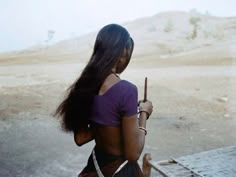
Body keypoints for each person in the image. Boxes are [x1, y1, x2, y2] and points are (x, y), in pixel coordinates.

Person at [55, 24, 153, 177]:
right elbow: (133, 155)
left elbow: (80, 138)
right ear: (123, 53)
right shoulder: (127, 90)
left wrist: (113, 118)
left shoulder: (85, 85)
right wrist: (144, 113)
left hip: (96, 166)